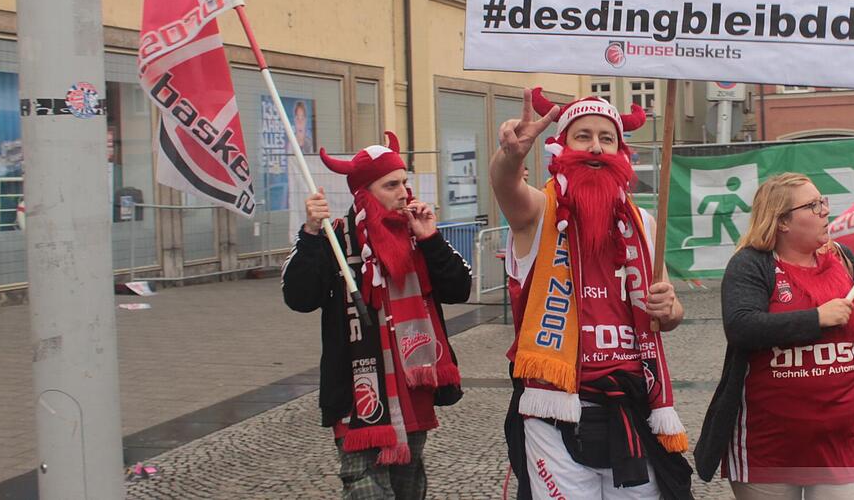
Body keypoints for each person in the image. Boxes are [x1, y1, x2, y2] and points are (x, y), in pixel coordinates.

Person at [491, 88, 694, 499]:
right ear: (561, 146)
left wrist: (670, 308)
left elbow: (669, 312)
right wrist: (510, 157)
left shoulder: (643, 223)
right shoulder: (538, 211)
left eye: (607, 137)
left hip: (632, 403)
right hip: (556, 407)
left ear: (621, 151)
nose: (596, 147)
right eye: (583, 136)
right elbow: (506, 187)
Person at [282, 131, 472, 499]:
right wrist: (309, 234)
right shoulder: (335, 239)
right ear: (364, 192)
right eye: (391, 185)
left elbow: (459, 288)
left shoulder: (418, 237)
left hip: (414, 385)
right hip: (360, 391)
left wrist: (432, 239)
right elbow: (299, 297)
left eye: (405, 182)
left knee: (408, 484)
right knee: (363, 483)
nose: (404, 192)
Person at [694, 173, 854, 500]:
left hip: (845, 441)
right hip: (769, 446)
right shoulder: (751, 264)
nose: (824, 211)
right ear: (782, 222)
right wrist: (816, 318)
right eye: (812, 206)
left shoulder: (841, 257)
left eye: (823, 202)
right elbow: (741, 327)